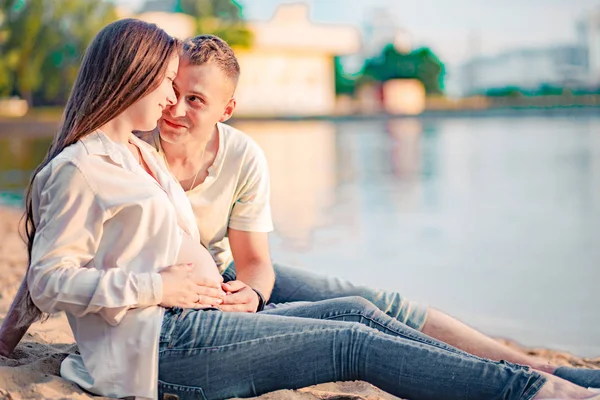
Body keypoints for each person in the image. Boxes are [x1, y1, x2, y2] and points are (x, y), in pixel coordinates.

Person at [1, 18, 597, 400]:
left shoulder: (133, 155)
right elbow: (54, 274)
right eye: (164, 83)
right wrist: (160, 286)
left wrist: (9, 337)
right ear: (130, 80)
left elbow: (61, 255)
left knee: (358, 312)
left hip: (194, 318)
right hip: (162, 345)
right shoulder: (81, 167)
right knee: (350, 344)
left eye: (186, 94)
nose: (169, 101)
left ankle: (531, 377)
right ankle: (535, 392)